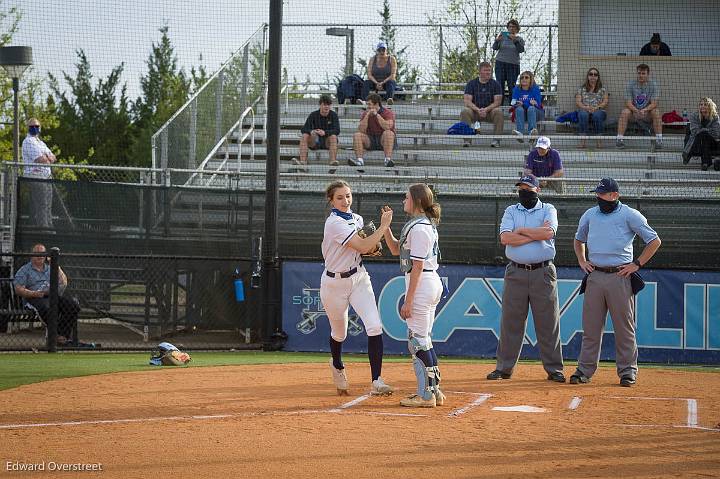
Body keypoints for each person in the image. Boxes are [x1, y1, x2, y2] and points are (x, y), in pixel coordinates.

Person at [572, 178, 662, 387]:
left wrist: (637, 264)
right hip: (595, 275)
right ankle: (584, 370)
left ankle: (628, 371)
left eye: (602, 194)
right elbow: (578, 240)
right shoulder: (590, 214)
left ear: (615, 195)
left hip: (620, 276)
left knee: (624, 327)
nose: (598, 197)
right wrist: (582, 260)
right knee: (591, 328)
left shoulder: (630, 214)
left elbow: (654, 240)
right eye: (597, 193)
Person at [487, 174, 565, 383]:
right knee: (511, 322)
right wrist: (534, 233)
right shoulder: (511, 210)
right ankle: (504, 368)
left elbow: (549, 233)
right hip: (516, 271)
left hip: (543, 272)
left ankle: (554, 369)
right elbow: (505, 238)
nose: (523, 191)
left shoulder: (548, 209)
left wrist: (520, 231)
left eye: (528, 188)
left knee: (548, 322)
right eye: (521, 187)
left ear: (537, 189)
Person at [320, 180, 394, 396]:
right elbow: (361, 245)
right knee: (339, 333)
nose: (346, 200)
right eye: (340, 197)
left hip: (359, 278)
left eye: (348, 196)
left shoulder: (358, 219)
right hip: (334, 283)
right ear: (331, 201)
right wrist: (383, 227)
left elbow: (364, 249)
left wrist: (373, 245)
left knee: (374, 326)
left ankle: (377, 380)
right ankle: (337, 364)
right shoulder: (333, 223)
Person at [382, 184, 444, 408]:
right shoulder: (420, 224)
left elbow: (417, 266)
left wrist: (408, 301)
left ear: (417, 201)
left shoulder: (419, 228)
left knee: (416, 341)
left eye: (406, 197)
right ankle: (434, 389)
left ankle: (425, 394)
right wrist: (385, 227)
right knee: (423, 339)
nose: (403, 201)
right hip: (428, 282)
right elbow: (396, 250)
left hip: (422, 283)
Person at [13, 243, 80, 346]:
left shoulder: (50, 268)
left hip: (51, 296)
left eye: (43, 253)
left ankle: (61, 335)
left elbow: (64, 282)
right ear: (32, 255)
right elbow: (18, 289)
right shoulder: (24, 270)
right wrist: (35, 293)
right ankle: (57, 337)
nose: (40, 256)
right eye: (37, 253)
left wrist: (55, 264)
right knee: (48, 309)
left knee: (72, 305)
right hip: (34, 298)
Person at [617, 64, 662, 150]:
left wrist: (645, 110)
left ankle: (659, 140)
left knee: (656, 111)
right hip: (634, 113)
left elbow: (654, 103)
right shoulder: (630, 84)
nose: (640, 75)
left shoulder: (653, 85)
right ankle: (619, 139)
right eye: (639, 73)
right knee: (625, 112)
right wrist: (636, 110)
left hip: (647, 113)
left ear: (648, 74)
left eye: (643, 73)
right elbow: (628, 103)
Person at [21, 118, 56, 228]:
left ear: (40, 128)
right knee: (42, 204)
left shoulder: (41, 143)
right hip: (36, 176)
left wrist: (47, 157)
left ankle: (49, 226)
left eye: (37, 126)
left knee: (48, 205)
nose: (35, 128)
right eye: (32, 126)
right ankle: (43, 229)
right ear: (28, 128)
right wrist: (46, 157)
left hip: (46, 177)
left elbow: (53, 157)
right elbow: (40, 159)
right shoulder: (28, 141)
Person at [460, 61, 504, 148]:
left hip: (490, 112)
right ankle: (467, 141)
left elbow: (497, 102)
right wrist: (478, 110)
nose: (488, 72)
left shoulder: (495, 84)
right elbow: (467, 101)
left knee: (498, 111)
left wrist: (486, 109)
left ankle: (496, 140)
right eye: (486, 70)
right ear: (480, 72)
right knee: (464, 111)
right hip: (475, 112)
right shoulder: (471, 84)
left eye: (489, 70)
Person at [292, 94, 340, 170]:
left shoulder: (333, 115)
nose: (326, 107)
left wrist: (325, 132)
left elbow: (337, 130)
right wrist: (312, 131)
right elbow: (304, 129)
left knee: (333, 137)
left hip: (327, 142)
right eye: (324, 104)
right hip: (315, 142)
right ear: (320, 105)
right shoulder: (313, 115)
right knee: (304, 135)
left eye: (328, 104)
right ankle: (303, 162)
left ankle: (333, 162)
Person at [349, 93, 396, 168]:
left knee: (389, 133)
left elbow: (388, 127)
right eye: (367, 104)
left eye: (369, 104)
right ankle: (360, 161)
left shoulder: (388, 112)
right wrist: (367, 115)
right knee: (357, 135)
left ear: (376, 104)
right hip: (371, 140)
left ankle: (387, 160)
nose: (368, 106)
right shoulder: (365, 113)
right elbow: (361, 130)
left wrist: (377, 115)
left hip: (385, 140)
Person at [682, 97, 720, 171]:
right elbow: (694, 131)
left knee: (704, 134)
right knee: (703, 135)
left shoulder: (715, 117)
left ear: (710, 106)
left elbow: (716, 133)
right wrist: (707, 130)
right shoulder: (694, 116)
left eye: (705, 104)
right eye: (701, 104)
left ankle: (705, 162)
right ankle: (705, 163)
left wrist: (703, 130)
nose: (702, 106)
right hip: (697, 142)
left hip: (713, 142)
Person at [492, 19, 525, 105]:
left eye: (513, 27)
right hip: (500, 63)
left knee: (512, 86)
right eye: (510, 27)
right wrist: (497, 40)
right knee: (500, 85)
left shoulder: (519, 39)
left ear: (517, 29)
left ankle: (512, 107)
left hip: (513, 65)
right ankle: (499, 106)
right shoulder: (502, 37)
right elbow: (495, 48)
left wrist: (515, 40)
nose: (511, 29)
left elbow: (521, 50)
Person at [575, 68, 608, 148]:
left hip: (598, 111)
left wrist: (597, 107)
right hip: (584, 110)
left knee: (597, 115)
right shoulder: (581, 89)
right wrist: (586, 107)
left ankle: (599, 141)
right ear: (588, 76)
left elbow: (605, 102)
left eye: (595, 74)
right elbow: (578, 102)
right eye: (591, 74)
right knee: (583, 115)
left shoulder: (603, 89)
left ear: (598, 77)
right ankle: (583, 141)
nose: (593, 76)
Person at [511, 71, 544, 140]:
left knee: (531, 108)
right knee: (519, 109)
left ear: (530, 79)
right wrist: (518, 103)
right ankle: (520, 133)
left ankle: (532, 133)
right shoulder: (516, 89)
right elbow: (513, 103)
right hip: (523, 114)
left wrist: (524, 103)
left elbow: (538, 104)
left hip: (536, 113)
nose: (524, 79)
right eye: (522, 77)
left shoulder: (535, 89)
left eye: (526, 77)